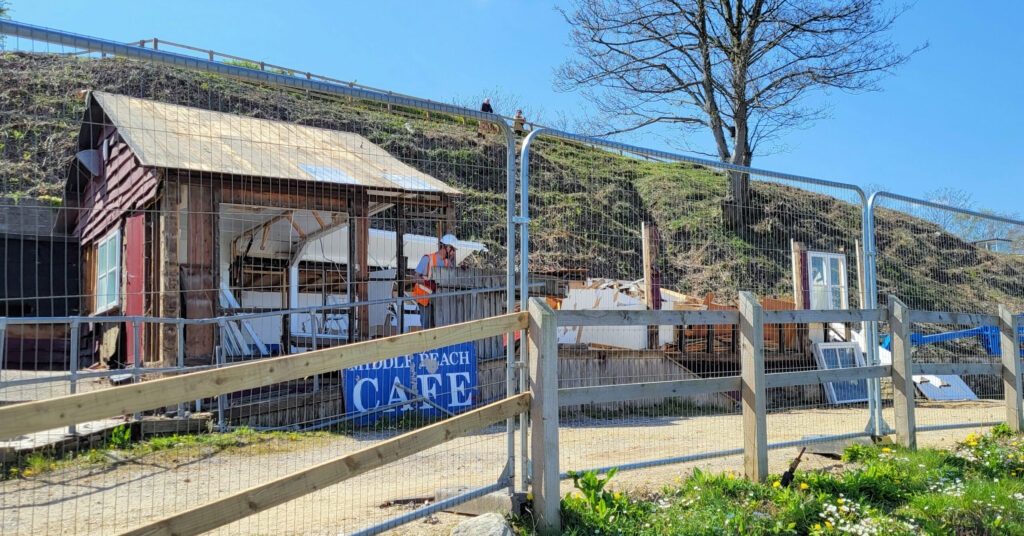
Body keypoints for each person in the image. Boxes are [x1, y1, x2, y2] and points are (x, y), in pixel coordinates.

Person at [413, 234, 458, 330]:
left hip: (439, 299)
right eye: (453, 250)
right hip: (425, 298)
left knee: (438, 325)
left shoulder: (448, 263)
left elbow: (454, 277)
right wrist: (428, 283)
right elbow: (415, 278)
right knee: (427, 326)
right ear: (447, 247)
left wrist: (462, 269)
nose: (453, 253)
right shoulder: (427, 259)